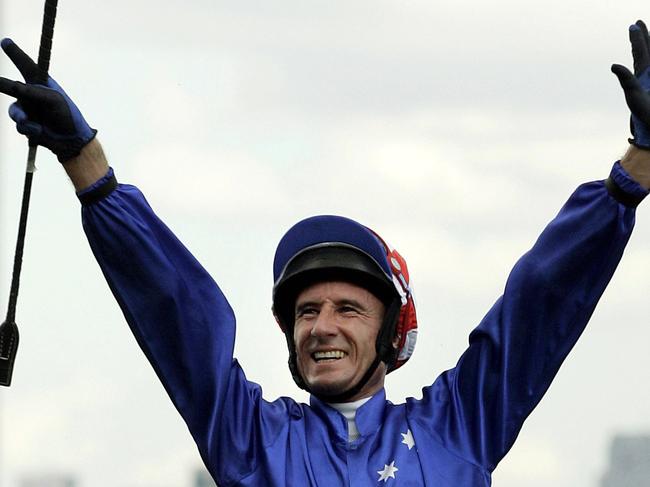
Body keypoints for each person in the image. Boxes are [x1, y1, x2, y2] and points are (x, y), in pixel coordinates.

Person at [1, 19, 650, 487]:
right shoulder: (252, 439)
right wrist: (88, 167)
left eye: (348, 307)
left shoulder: (461, 426)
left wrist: (636, 170)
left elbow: (542, 298)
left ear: (394, 329)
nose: (323, 325)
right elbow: (178, 313)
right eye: (306, 310)